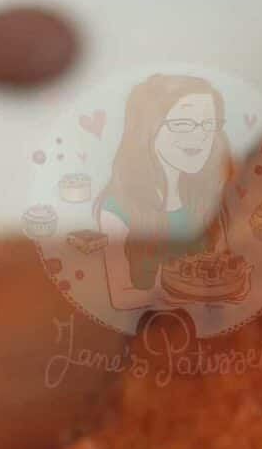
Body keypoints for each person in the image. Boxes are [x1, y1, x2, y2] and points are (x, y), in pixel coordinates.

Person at [95, 74, 247, 317]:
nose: (200, 137)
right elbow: (121, 299)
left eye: (207, 125)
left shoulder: (221, 190)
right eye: (183, 125)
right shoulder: (118, 211)